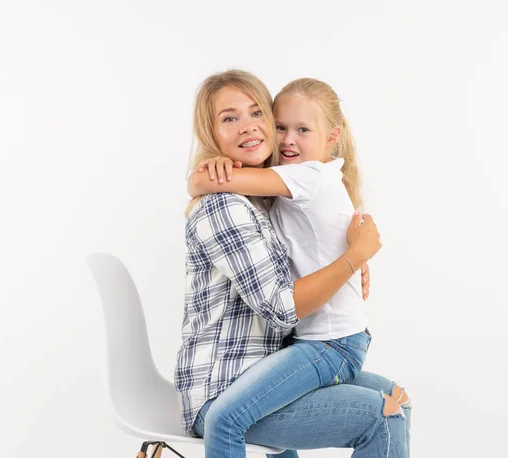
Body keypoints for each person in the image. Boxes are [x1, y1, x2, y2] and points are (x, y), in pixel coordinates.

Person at [175, 70, 409, 458]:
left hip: (273, 364)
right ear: (210, 132)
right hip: (224, 388)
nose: (250, 128)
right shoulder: (228, 205)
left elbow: (308, 248)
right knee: (383, 415)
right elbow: (283, 309)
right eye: (230, 118)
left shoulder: (268, 199)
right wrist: (353, 259)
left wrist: (349, 259)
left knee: (397, 400)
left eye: (256, 114)